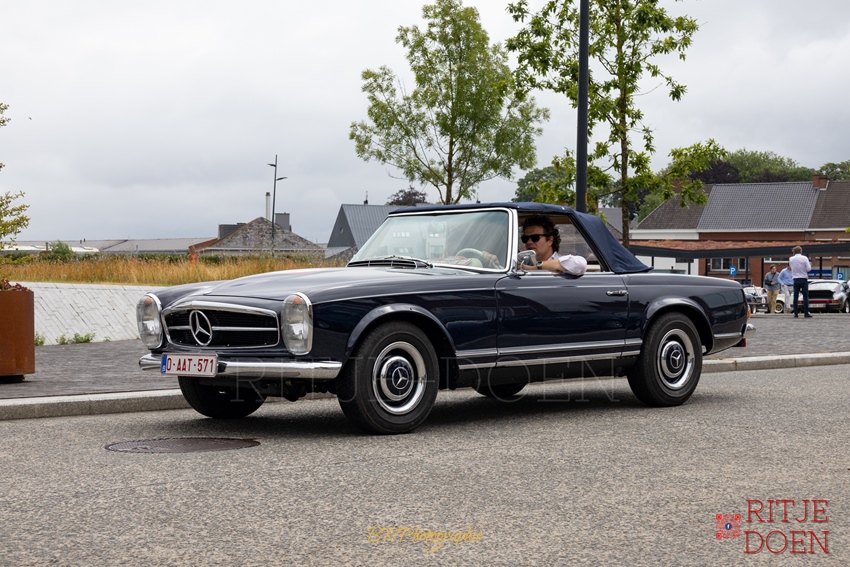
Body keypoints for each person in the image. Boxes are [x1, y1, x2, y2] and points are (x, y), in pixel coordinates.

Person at [521, 215, 587, 276]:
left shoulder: (562, 263)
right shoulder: (521, 264)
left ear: (550, 240)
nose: (529, 242)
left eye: (535, 238)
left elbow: (581, 264)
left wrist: (534, 267)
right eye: (525, 239)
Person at [789, 245, 812, 318]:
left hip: (795, 279)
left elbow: (791, 268)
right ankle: (806, 313)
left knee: (795, 296)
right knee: (805, 296)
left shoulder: (791, 259)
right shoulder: (804, 258)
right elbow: (808, 269)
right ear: (801, 251)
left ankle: (796, 313)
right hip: (803, 278)